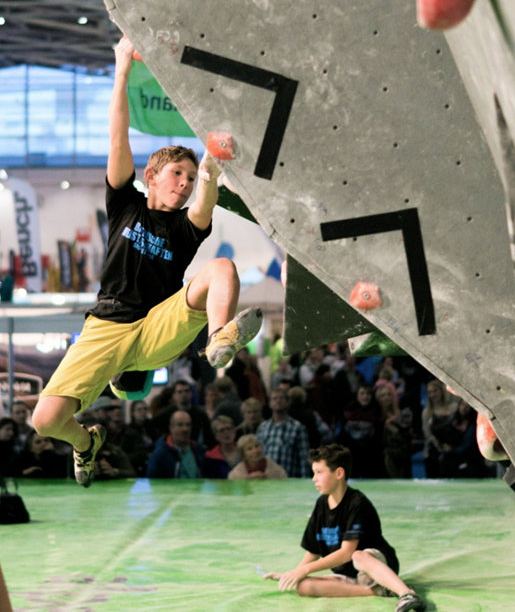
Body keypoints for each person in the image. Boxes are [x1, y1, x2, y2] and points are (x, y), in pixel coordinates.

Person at [32, 34, 262, 488]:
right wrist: (121, 69)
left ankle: (219, 337)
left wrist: (211, 167)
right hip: (106, 326)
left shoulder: (186, 227)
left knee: (222, 268)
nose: (184, 183)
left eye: (189, 178)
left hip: (159, 323)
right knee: (44, 421)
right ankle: (85, 443)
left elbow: (206, 196)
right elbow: (117, 136)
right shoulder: (125, 204)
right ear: (151, 177)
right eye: (177, 174)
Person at [263, 444, 425, 611]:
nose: (314, 478)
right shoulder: (321, 504)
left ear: (339, 473)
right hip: (350, 575)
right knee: (303, 586)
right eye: (314, 473)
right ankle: (380, 590)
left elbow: (347, 553)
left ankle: (406, 593)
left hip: (377, 564)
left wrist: (305, 569)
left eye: (319, 472)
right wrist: (293, 574)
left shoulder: (357, 502)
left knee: (358, 556)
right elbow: (313, 551)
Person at [257, 388, 310, 477]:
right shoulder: (263, 427)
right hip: (267, 478)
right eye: (274, 398)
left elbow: (304, 457)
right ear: (270, 403)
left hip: (289, 478)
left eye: (281, 398)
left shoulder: (297, 427)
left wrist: (305, 479)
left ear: (288, 402)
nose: (278, 401)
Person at [146, 410, 204, 478]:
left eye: (188, 425)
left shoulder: (198, 450)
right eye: (180, 425)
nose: (185, 429)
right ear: (171, 428)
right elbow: (152, 480)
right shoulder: (160, 454)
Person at [421, 379, 459, 478]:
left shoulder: (453, 408)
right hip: (433, 452)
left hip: (453, 450)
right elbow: (427, 433)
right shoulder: (426, 413)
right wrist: (437, 444)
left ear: (441, 391)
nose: (432, 394)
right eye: (429, 392)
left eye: (435, 391)